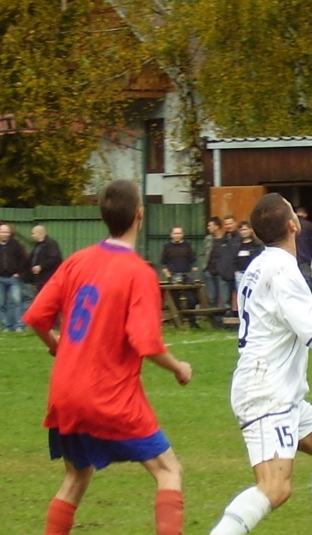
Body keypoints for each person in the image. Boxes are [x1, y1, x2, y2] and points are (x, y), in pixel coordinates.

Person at [21, 179, 192, 535]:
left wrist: (56, 345)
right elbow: (146, 342)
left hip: (66, 393)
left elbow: (36, 317)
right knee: (168, 471)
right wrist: (178, 367)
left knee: (75, 476)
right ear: (140, 215)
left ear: (103, 216)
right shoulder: (138, 273)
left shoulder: (77, 261)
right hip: (109, 394)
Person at [209, 192, 312, 535]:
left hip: (278, 390)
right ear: (293, 224)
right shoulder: (284, 270)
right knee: (275, 488)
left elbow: (274, 312)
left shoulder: (261, 265)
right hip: (267, 392)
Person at [161, 225, 200, 328]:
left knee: (192, 299)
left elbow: (194, 263)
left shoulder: (187, 246)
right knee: (174, 301)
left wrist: (193, 275)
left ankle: (192, 322)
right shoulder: (167, 247)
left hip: (186, 276)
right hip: (173, 277)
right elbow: (163, 264)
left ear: (183, 234)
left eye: (179, 233)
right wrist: (168, 275)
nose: (177, 235)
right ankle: (177, 322)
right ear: (171, 235)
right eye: (175, 233)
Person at [0, 222, 28, 332]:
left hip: (13, 278)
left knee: (17, 302)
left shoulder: (16, 245)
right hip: (0, 278)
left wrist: (19, 273)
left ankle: (18, 326)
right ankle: (6, 326)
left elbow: (23, 260)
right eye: (2, 232)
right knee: (1, 304)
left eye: (7, 232)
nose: (5, 234)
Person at [27, 225, 63, 294]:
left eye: (33, 233)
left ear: (40, 234)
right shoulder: (38, 245)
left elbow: (54, 259)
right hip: (38, 279)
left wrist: (41, 267)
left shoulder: (51, 244)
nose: (32, 236)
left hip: (47, 278)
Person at [202, 216, 225, 307]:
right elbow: (204, 254)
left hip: (221, 272)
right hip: (209, 271)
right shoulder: (208, 239)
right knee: (211, 298)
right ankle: (214, 320)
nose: (208, 228)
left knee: (223, 298)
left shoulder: (226, 239)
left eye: (210, 226)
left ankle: (224, 318)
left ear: (217, 226)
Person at [296, 207, 312, 298]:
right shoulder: (309, 225)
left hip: (293, 258)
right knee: (309, 284)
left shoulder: (290, 225)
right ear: (305, 214)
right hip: (306, 259)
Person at [234, 220, 263, 290]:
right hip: (240, 274)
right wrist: (236, 271)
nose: (243, 232)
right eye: (241, 230)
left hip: (252, 275)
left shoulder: (257, 245)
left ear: (250, 230)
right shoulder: (237, 244)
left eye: (245, 229)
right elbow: (234, 259)